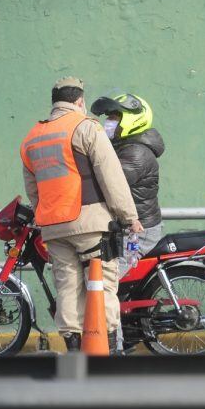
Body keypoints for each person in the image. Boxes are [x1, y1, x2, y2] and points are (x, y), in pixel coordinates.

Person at [20, 77, 143, 353]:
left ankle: (75, 352)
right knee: (102, 287)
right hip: (90, 225)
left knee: (67, 289)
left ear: (55, 102)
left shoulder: (32, 138)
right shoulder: (84, 127)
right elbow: (110, 175)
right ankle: (107, 349)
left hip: (53, 228)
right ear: (79, 101)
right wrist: (129, 217)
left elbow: (34, 191)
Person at [90, 92, 165, 277]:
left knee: (104, 283)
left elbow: (108, 183)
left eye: (114, 116)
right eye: (108, 116)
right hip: (124, 229)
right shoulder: (124, 147)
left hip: (138, 232)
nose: (108, 121)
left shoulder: (136, 154)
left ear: (132, 120)